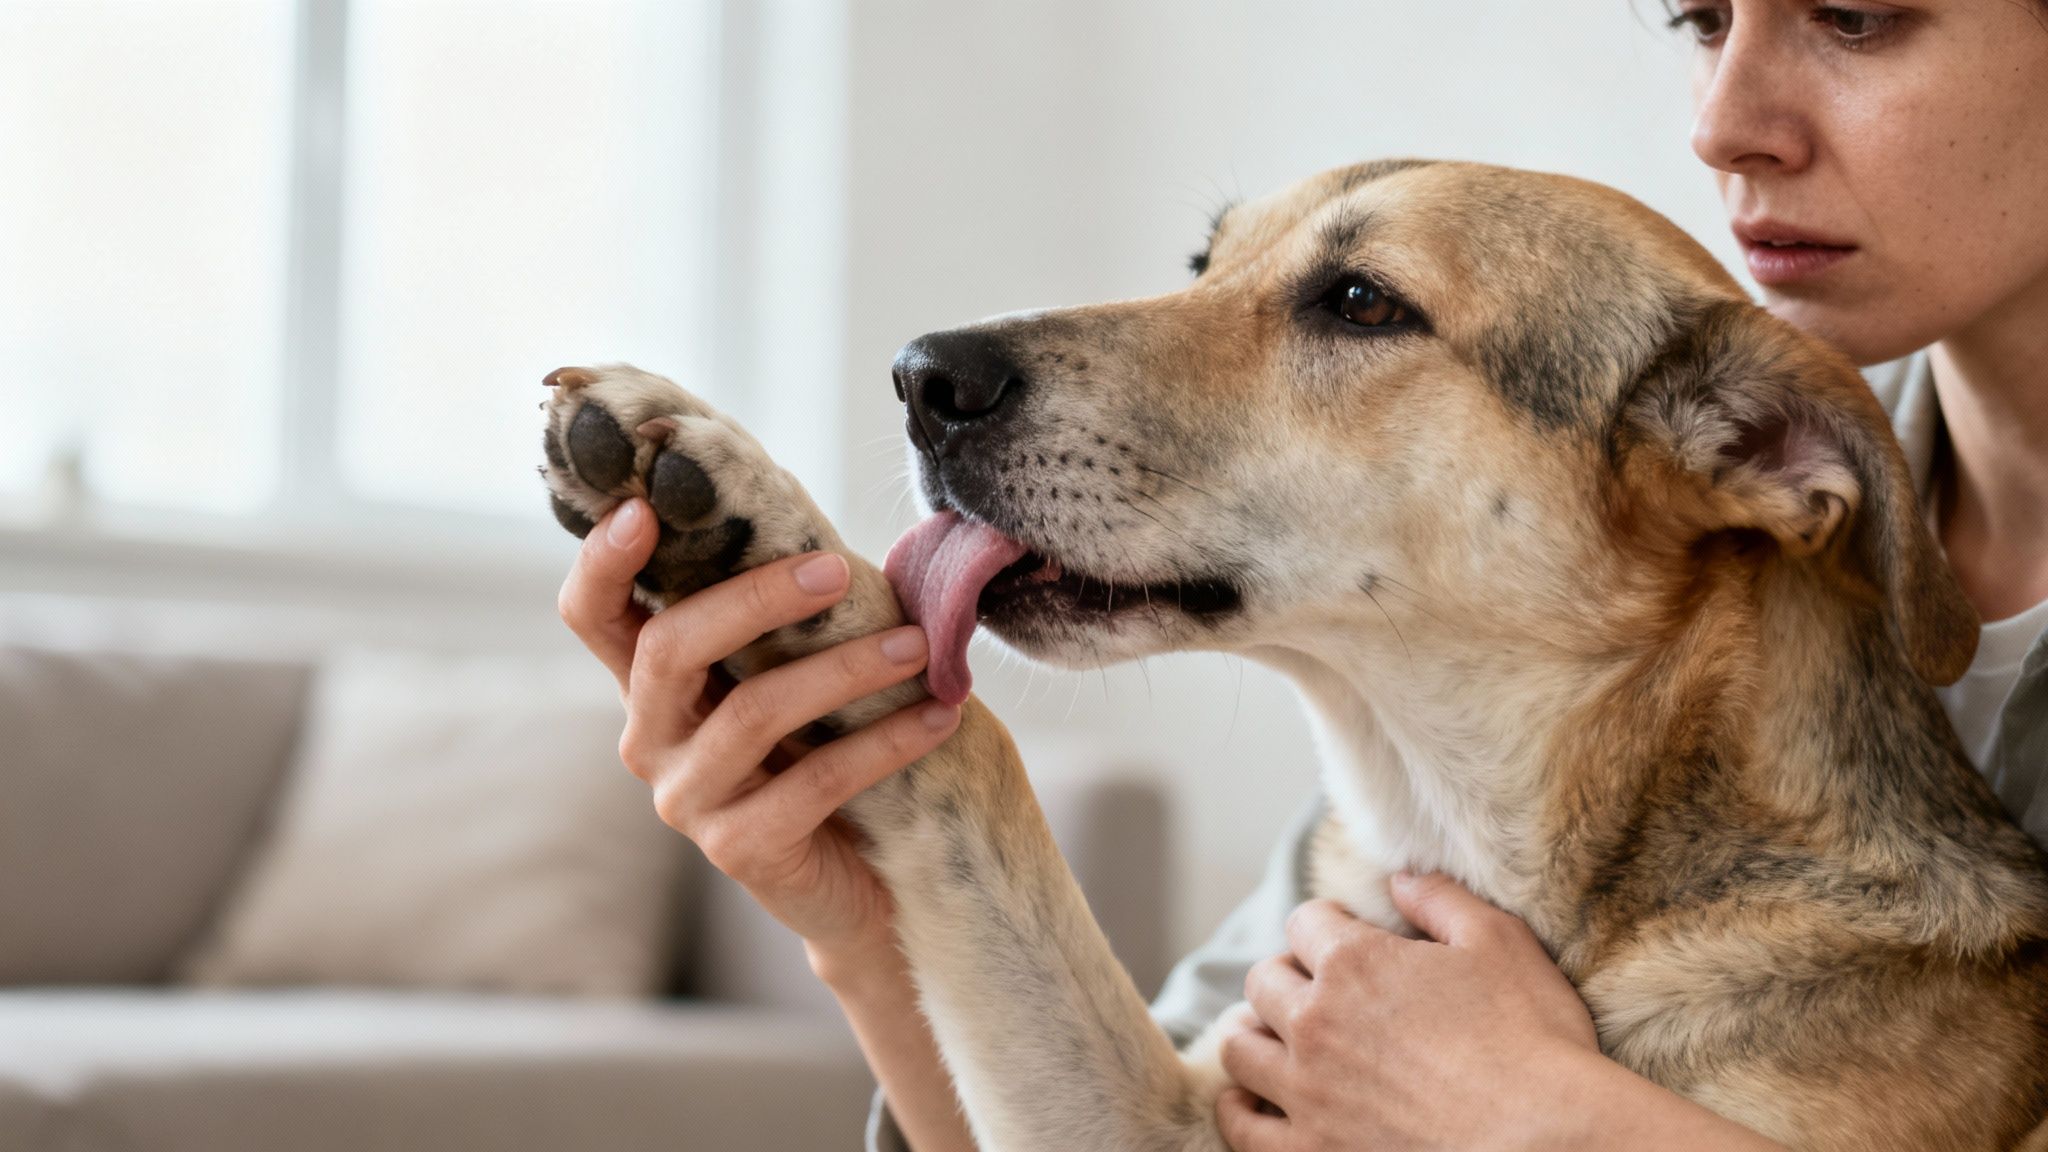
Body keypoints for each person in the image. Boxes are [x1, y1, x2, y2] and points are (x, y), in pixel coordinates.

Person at [555, 1, 2048, 1147]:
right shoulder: (1468, 766)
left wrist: (1548, 1118)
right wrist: (891, 861)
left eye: (1857, 13)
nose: (1724, 120)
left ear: (1765, 461)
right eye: (1701, 19)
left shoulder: (1744, 521)